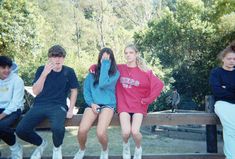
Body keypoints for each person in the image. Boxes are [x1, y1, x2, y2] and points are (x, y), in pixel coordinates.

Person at [16, 45, 78, 159]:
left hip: (58, 106)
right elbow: (35, 91)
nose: (57, 59)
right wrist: (44, 73)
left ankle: (57, 148)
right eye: (54, 56)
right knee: (21, 130)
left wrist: (71, 109)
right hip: (39, 105)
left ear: (63, 58)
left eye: (60, 56)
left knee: (58, 128)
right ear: (49, 58)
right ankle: (41, 144)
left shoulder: (69, 71)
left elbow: (74, 90)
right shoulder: (41, 69)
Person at [116, 44, 164, 159]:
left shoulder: (145, 71)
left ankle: (138, 148)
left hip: (139, 105)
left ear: (136, 54)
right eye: (126, 53)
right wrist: (93, 66)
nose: (128, 55)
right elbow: (104, 65)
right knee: (125, 132)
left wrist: (148, 100)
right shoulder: (119, 68)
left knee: (135, 131)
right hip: (124, 105)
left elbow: (159, 85)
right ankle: (126, 146)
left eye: (131, 52)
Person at [73, 48, 120, 159]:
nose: (104, 59)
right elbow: (87, 90)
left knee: (100, 132)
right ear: (99, 58)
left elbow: (103, 84)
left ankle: (104, 150)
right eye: (102, 57)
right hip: (93, 104)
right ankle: (82, 149)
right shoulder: (92, 72)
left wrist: (105, 64)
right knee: (82, 130)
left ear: (111, 59)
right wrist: (91, 103)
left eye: (107, 58)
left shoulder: (115, 73)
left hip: (108, 105)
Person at [209, 41, 235, 159]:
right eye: (229, 58)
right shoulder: (216, 73)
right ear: (223, 59)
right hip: (222, 104)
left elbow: (223, 90)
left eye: (234, 59)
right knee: (230, 129)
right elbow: (217, 91)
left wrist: (226, 88)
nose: (232, 61)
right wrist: (231, 90)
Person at [0, 56, 24, 159]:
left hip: (14, 109)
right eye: (3, 67)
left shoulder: (17, 80)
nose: (7, 70)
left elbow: (15, 103)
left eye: (8, 67)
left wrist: (1, 116)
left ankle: (16, 149)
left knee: (1, 126)